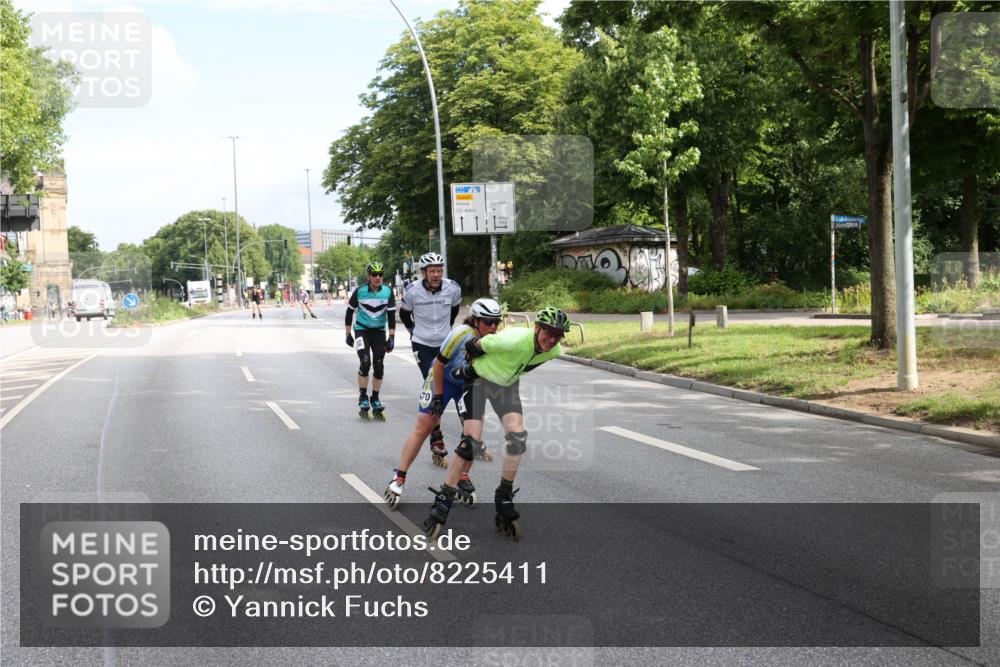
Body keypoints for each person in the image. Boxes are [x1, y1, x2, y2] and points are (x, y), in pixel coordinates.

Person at [423, 307, 571, 541]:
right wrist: (470, 365)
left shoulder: (554, 350)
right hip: (478, 382)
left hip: (506, 386)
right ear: (537, 328)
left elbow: (526, 363)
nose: (552, 340)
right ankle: (443, 500)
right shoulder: (511, 339)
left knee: (518, 438)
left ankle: (504, 496)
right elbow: (476, 345)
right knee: (470, 444)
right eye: (548, 333)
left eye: (557, 335)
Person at [385, 298, 502, 510]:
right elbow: (439, 365)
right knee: (424, 426)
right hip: (442, 379)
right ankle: (399, 477)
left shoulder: (493, 341)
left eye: (496, 322)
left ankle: (462, 476)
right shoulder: (460, 334)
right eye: (487, 322)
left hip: (467, 384)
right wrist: (438, 397)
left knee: (473, 436)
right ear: (476, 321)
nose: (492, 327)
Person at [398, 252, 464, 466]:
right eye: (432, 271)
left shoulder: (453, 288)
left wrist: (448, 330)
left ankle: (469, 433)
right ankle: (436, 437)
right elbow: (404, 314)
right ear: (424, 272)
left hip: (446, 343)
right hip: (422, 344)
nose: (436, 274)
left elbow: (454, 311)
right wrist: (412, 331)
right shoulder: (412, 291)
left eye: (439, 270)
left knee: (460, 383)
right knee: (434, 386)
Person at [345, 262, 396, 421]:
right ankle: (362, 397)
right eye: (374, 275)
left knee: (379, 365)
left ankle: (375, 397)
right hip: (361, 330)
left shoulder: (388, 292)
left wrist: (392, 337)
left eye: (380, 274)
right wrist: (348, 333)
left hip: (379, 331)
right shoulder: (360, 291)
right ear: (368, 276)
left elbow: (391, 317)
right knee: (365, 361)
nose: (378, 277)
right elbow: (349, 312)